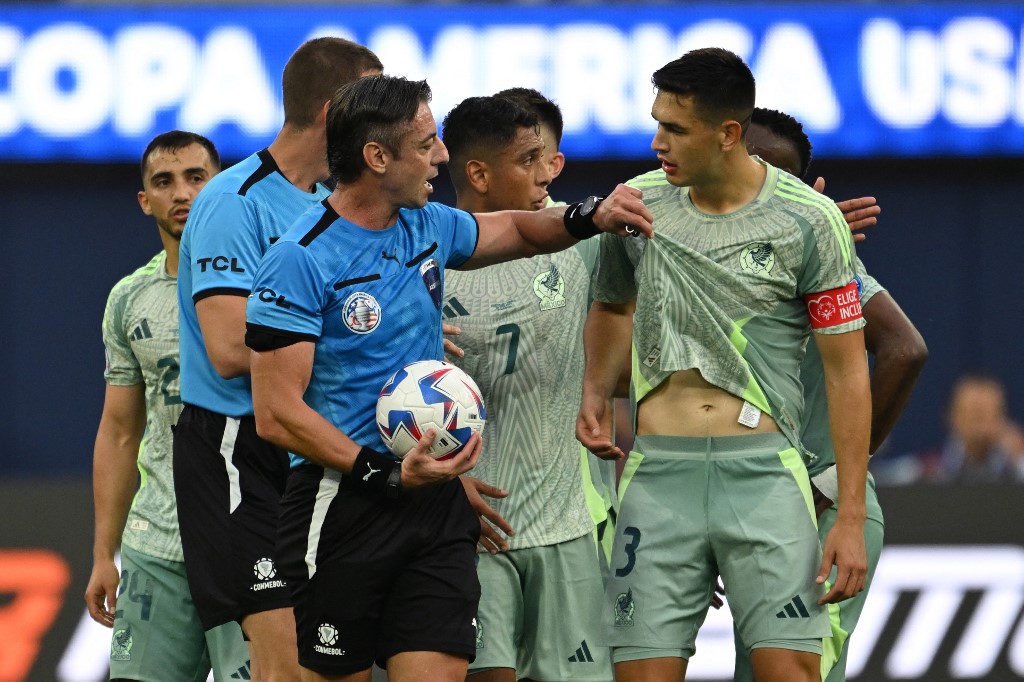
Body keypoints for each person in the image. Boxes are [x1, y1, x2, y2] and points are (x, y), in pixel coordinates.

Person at [243, 74, 652, 682]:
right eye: (425, 143)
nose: (441, 156)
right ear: (377, 157)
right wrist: (385, 473)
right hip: (342, 503)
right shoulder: (299, 258)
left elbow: (517, 229)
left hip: (434, 506)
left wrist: (588, 216)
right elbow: (277, 412)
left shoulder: (428, 224)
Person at [576, 48, 871, 682]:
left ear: (728, 133)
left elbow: (848, 371)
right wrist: (595, 391)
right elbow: (612, 305)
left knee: (790, 670)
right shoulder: (636, 205)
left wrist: (849, 515)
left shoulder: (810, 220)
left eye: (675, 128)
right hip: (658, 479)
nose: (657, 142)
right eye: (656, 123)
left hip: (765, 478)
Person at [173, 37, 382, 681]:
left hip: (308, 447)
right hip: (238, 451)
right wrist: (357, 342)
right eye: (372, 107)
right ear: (333, 113)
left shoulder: (327, 207)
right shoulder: (234, 201)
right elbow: (228, 348)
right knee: (284, 665)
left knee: (332, 665)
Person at [732, 107, 928, 682]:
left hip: (818, 508)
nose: (758, 180)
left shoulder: (821, 255)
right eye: (750, 163)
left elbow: (905, 349)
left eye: (775, 174)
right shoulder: (705, 256)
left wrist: (836, 480)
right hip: (749, 502)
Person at [441, 95, 613, 682]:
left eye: (546, 157)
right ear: (479, 174)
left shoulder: (581, 232)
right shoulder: (422, 258)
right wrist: (443, 483)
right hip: (469, 527)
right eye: (528, 160)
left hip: (565, 527)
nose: (547, 174)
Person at [85, 131, 251, 681]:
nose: (181, 193)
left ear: (221, 186)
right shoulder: (129, 299)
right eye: (164, 181)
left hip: (248, 534)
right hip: (156, 540)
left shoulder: (269, 286)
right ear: (144, 200)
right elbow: (118, 432)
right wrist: (103, 553)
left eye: (196, 177)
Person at [913, 373, 1023, 483]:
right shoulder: (921, 472)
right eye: (975, 414)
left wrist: (1018, 460)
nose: (981, 426)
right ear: (952, 415)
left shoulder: (1015, 467)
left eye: (991, 413)